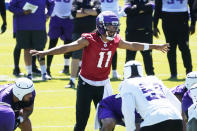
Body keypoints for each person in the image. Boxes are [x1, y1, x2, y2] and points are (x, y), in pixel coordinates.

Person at [30, 11, 169, 131]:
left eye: (115, 26)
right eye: (109, 26)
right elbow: (67, 48)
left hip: (103, 85)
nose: (113, 30)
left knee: (109, 121)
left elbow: (131, 45)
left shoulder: (115, 40)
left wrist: (155, 46)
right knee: (81, 122)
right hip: (86, 84)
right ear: (101, 26)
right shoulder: (89, 39)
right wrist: (46, 52)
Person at [119, 60, 183, 131]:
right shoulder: (154, 79)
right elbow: (176, 103)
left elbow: (128, 110)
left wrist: (130, 129)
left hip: (153, 120)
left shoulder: (127, 84)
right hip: (175, 117)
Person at [8, 0, 53, 80]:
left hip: (39, 26)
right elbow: (10, 7)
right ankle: (29, 73)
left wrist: (48, 14)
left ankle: (44, 73)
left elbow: (51, 3)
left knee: (40, 50)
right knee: (27, 49)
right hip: (23, 27)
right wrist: (22, 11)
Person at [153, 0, 196, 79]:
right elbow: (157, 7)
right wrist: (155, 25)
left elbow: (192, 7)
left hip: (182, 21)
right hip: (167, 21)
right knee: (170, 48)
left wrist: (193, 23)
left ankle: (189, 73)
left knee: (184, 47)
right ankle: (173, 74)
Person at [65, 0, 101, 88]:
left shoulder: (96, 1)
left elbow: (97, 12)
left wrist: (83, 11)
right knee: (76, 55)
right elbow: (75, 13)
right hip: (78, 32)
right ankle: (72, 80)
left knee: (94, 55)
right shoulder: (76, 2)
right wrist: (90, 12)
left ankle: (93, 80)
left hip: (93, 32)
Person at [124, 0, 155, 76]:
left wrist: (135, 8)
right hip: (132, 33)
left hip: (146, 33)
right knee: (129, 57)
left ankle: (151, 77)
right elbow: (128, 10)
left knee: (148, 57)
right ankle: (127, 76)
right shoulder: (129, 0)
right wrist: (142, 9)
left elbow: (150, 7)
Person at [46, 0, 74, 77]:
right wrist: (51, 13)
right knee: (52, 45)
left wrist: (73, 13)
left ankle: (66, 67)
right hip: (56, 19)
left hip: (69, 18)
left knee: (68, 44)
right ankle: (47, 69)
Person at [100, 0, 123, 79]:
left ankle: (114, 71)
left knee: (113, 46)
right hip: (103, 22)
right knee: (100, 47)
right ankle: (102, 71)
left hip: (111, 22)